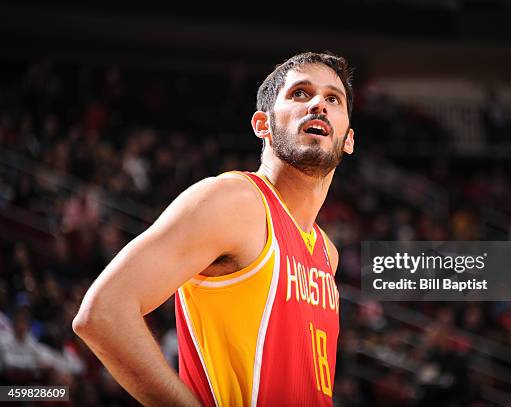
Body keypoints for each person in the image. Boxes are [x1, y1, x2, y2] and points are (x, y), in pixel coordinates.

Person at [73, 51, 355, 406]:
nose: (318, 104)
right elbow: (102, 313)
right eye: (300, 93)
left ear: (348, 139)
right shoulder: (234, 201)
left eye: (333, 98)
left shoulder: (327, 253)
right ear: (262, 125)